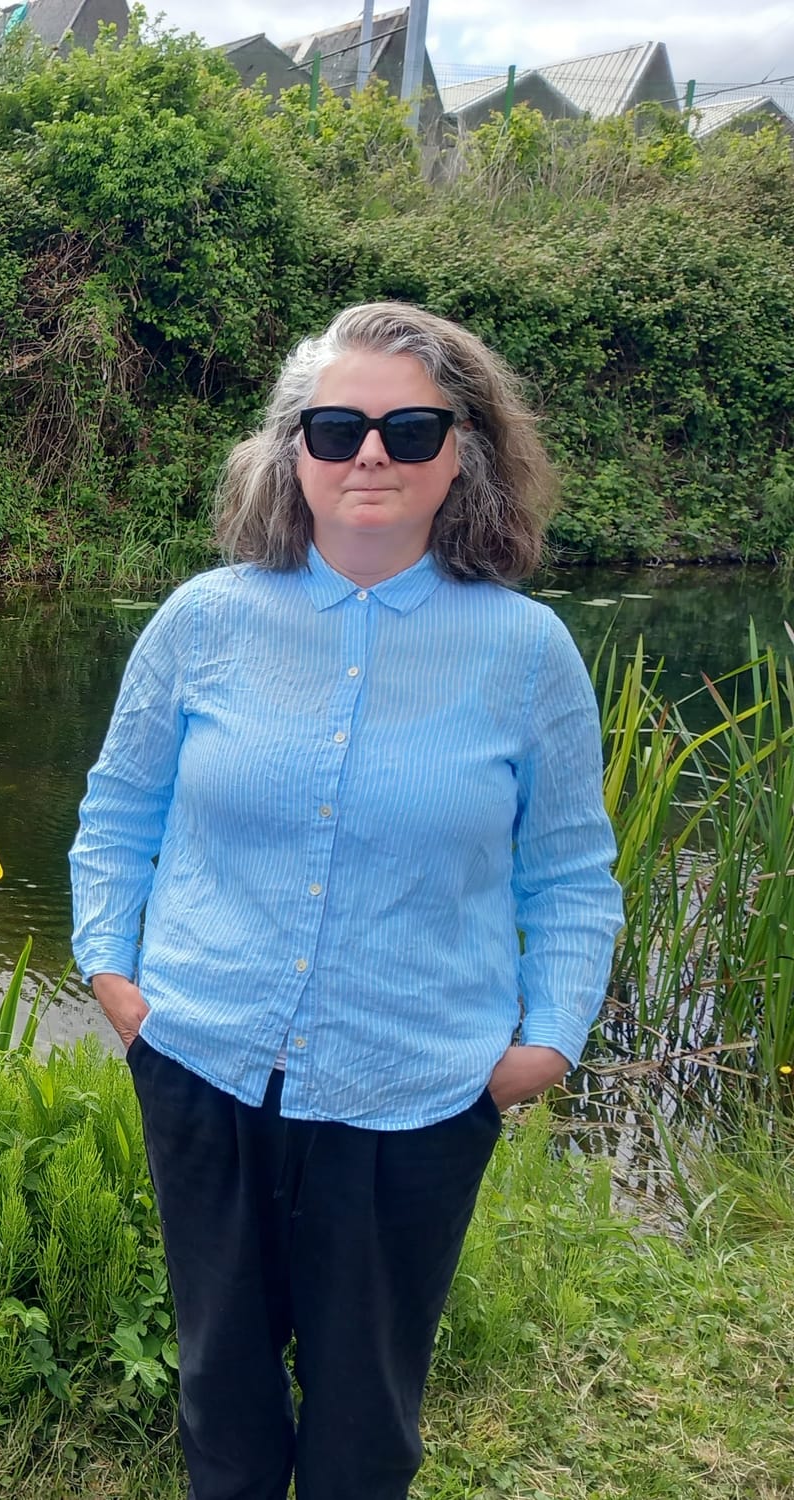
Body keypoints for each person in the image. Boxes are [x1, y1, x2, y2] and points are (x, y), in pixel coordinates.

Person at [68, 301, 623, 1500]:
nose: (368, 454)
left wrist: (545, 1043)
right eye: (334, 428)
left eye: (408, 429)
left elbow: (570, 874)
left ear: (459, 456)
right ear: (291, 456)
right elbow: (118, 815)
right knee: (220, 1384)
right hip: (202, 1062)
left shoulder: (526, 654)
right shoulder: (200, 621)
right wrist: (114, 981)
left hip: (416, 1089)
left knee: (367, 1410)